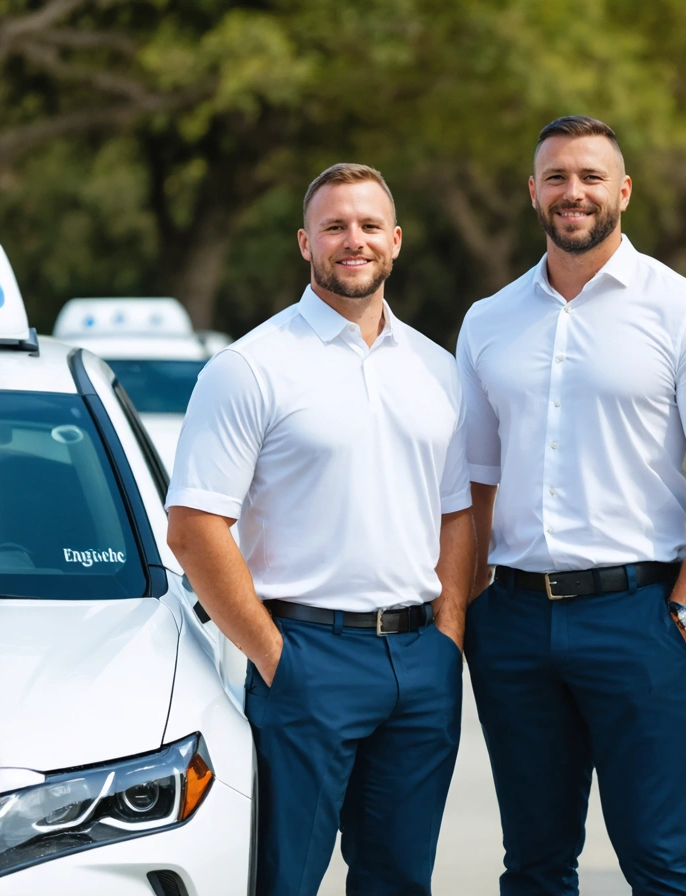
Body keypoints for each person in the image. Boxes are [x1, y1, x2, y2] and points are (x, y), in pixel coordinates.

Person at [456, 115, 686, 896]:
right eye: (556, 177)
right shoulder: (488, 322)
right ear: (533, 193)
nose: (573, 192)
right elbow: (475, 486)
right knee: (533, 864)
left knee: (657, 863)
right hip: (516, 623)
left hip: (641, 616)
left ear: (622, 191)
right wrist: (464, 615)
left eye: (591, 177)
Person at [166, 163, 474, 896]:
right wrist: (276, 658)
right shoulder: (250, 367)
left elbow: (458, 512)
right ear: (305, 243)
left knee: (399, 880)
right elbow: (194, 527)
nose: (353, 240)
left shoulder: (438, 368)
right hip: (305, 658)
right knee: (284, 881)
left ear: (395, 242)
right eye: (334, 226)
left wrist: (449, 634)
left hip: (420, 663)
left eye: (369, 226)